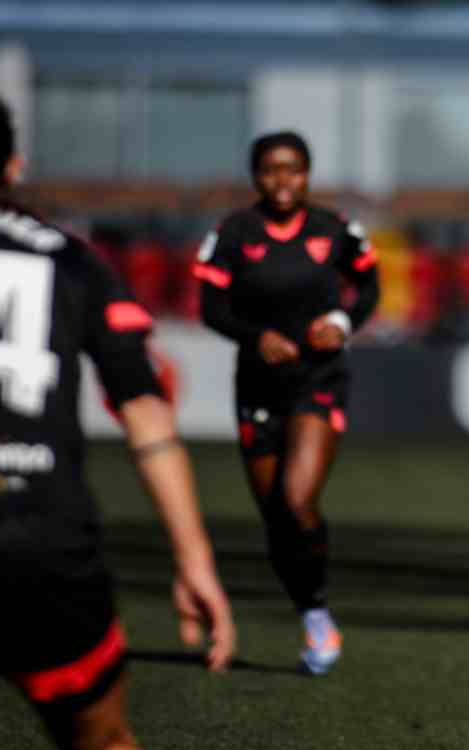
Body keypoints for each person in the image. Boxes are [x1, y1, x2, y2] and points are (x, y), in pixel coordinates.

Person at [0, 84, 236, 750]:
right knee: (105, 749)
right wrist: (194, 559)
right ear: (13, 165)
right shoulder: (67, 258)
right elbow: (146, 414)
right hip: (39, 531)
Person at [194, 131, 379, 674]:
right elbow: (211, 307)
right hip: (258, 387)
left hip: (318, 378)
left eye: (292, 168)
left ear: (307, 174)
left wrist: (342, 321)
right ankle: (312, 611)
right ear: (255, 175)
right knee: (277, 519)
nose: (282, 180)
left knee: (297, 499)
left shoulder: (335, 229)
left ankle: (319, 616)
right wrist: (256, 338)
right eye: (271, 169)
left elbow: (368, 288)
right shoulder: (234, 232)